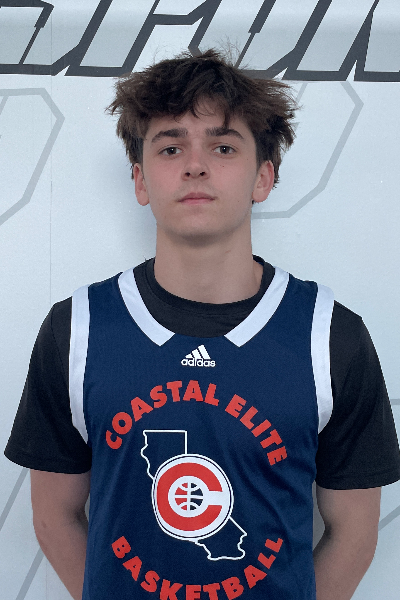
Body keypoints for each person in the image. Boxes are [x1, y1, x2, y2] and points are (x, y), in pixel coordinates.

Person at [4, 49, 400, 600]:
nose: (195, 166)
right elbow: (53, 517)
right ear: (140, 180)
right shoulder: (77, 330)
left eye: (223, 147)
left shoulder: (330, 336)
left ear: (264, 177)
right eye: (171, 147)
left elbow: (355, 535)